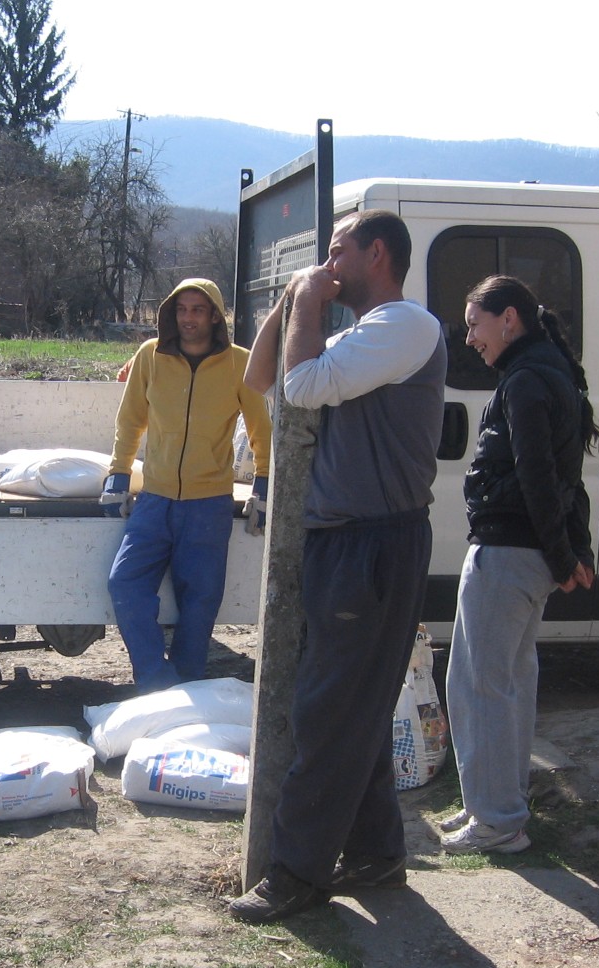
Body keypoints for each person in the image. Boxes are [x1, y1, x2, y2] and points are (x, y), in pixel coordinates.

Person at [230, 210, 447, 923]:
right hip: (350, 539)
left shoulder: (405, 326)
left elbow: (300, 386)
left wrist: (308, 299)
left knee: (327, 710)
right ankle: (377, 851)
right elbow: (261, 375)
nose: (328, 263)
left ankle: (297, 872)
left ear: (376, 253)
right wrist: (294, 298)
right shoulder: (363, 332)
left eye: (337, 250)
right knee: (356, 704)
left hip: (374, 541)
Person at [439, 275, 599, 855]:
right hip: (527, 557)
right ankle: (496, 808)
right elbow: (567, 480)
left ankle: (497, 820)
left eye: (474, 324)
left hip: (507, 554)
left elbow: (538, 477)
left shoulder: (526, 380)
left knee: (478, 686)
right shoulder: (550, 374)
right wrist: (571, 553)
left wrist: (564, 555)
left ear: (509, 318)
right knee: (507, 685)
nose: (470, 337)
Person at [101, 279, 272, 692]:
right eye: (181, 310)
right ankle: (156, 682)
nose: (188, 318)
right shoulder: (150, 356)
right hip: (155, 499)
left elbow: (261, 429)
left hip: (208, 505)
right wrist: (118, 474)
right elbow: (131, 420)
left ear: (214, 315)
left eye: (198, 309)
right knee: (125, 582)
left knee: (200, 602)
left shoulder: (240, 363)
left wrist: (264, 485)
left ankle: (189, 684)